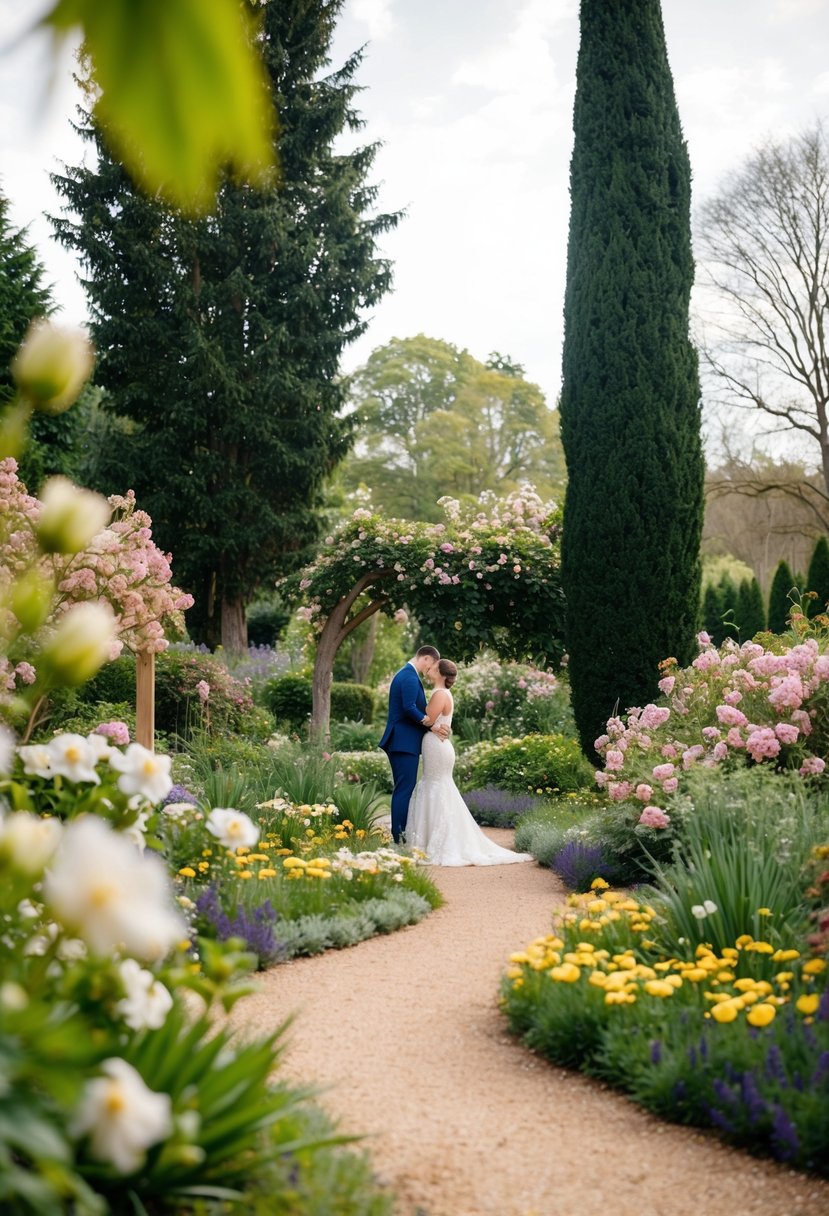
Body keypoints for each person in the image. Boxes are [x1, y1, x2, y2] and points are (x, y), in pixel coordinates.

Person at [405, 659, 534, 866]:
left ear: (442, 674)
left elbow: (428, 720)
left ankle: (439, 844)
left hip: (437, 746)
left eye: (434, 667)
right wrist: (430, 725)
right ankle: (434, 841)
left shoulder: (440, 694)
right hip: (438, 745)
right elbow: (432, 722)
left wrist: (414, 713)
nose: (430, 669)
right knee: (439, 788)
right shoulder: (442, 693)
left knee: (437, 788)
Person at [378, 645, 448, 843]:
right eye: (432, 665)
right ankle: (399, 838)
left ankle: (400, 836)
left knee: (405, 788)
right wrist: (432, 726)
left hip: (404, 741)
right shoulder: (408, 676)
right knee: (404, 789)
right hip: (403, 742)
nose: (430, 670)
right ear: (426, 658)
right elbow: (409, 708)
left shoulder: (408, 675)